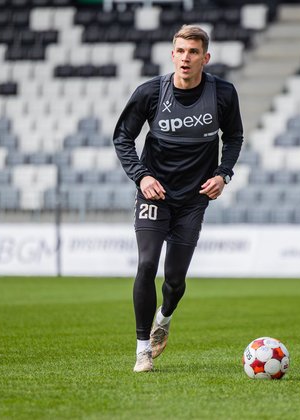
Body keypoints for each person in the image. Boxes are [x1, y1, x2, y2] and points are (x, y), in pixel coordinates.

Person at [112, 24, 244, 372]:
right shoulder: (150, 93)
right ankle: (142, 349)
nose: (186, 58)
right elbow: (122, 137)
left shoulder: (223, 94)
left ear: (205, 58)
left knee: (174, 280)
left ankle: (165, 318)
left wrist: (223, 174)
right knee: (146, 264)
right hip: (154, 194)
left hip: (193, 199)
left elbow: (234, 137)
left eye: (193, 52)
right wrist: (142, 176)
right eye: (181, 51)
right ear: (172, 55)